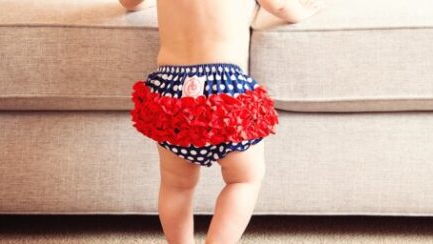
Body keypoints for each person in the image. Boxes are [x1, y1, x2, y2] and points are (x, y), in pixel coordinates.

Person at [120, 0, 325, 243]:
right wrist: (302, 11)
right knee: (244, 179)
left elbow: (128, 2)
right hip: (224, 91)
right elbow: (280, 7)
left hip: (169, 94)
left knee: (176, 186)